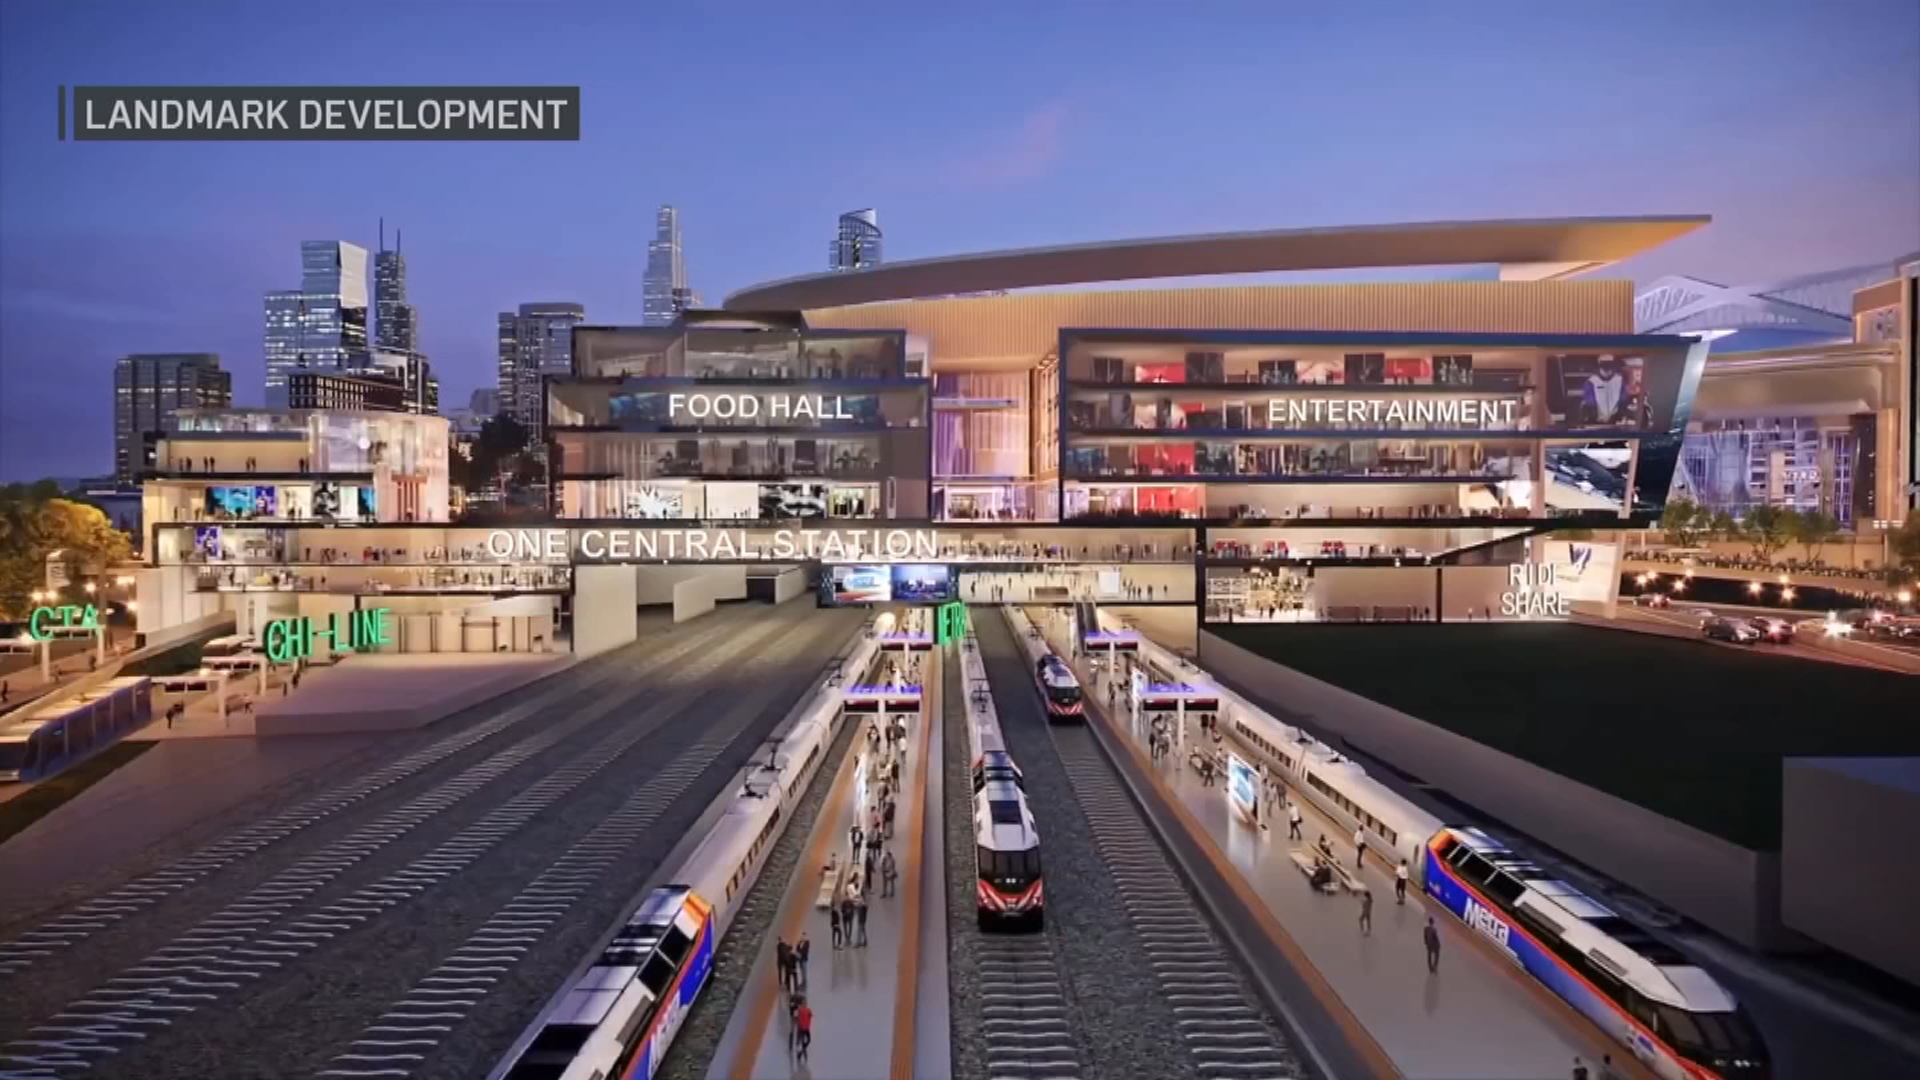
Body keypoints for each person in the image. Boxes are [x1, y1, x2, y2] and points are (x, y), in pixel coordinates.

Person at [794, 998, 813, 1063]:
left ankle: (801, 1051)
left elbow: (810, 1015)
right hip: (801, 1028)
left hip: (807, 1028)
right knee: (802, 1042)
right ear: (801, 1004)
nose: (804, 1004)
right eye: (803, 1003)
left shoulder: (808, 1010)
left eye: (805, 1003)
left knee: (809, 1040)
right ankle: (802, 1053)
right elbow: (795, 1017)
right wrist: (798, 1022)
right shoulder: (799, 1010)